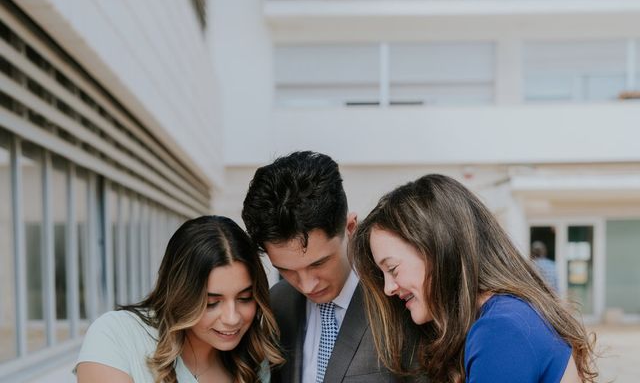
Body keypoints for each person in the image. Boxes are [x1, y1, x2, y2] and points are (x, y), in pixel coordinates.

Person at [350, 174, 598, 383]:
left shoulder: (501, 330)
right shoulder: (511, 315)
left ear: (438, 248)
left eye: (392, 269)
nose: (388, 288)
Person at [242, 151, 405, 383]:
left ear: (351, 228)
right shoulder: (276, 304)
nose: (307, 285)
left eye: (319, 263)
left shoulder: (400, 300)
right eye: (286, 270)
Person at [75, 215, 284, 383]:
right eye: (211, 303)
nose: (232, 318)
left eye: (245, 298)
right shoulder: (117, 334)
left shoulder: (254, 360)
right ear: (181, 294)